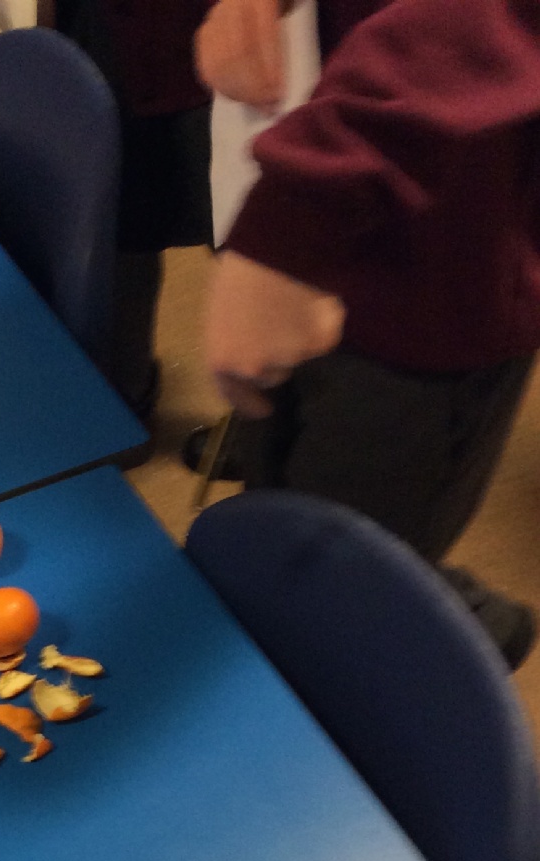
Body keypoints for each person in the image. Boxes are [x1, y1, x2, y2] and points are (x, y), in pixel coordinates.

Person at [196, 0, 540, 667]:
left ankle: (454, 624)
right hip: (341, 204)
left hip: (443, 267)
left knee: (341, 582)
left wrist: (300, 206)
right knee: (281, 516)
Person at [45, 0, 215, 419]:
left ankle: (268, 423)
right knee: (123, 224)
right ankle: (127, 394)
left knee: (241, 234)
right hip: (108, 38)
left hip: (198, 46)